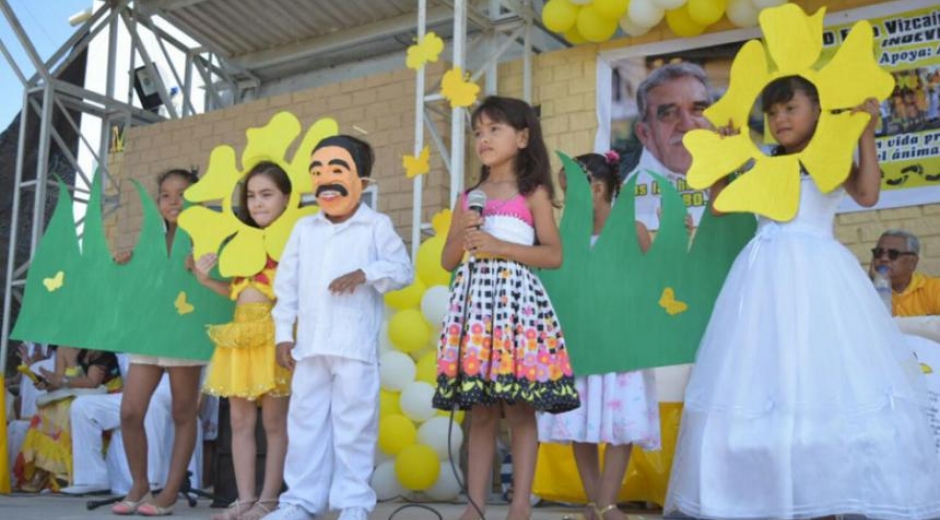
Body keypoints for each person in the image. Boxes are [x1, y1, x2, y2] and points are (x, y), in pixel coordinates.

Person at [665, 75, 940, 518]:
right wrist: (728, 155)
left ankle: (826, 499)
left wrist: (865, 132)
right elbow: (720, 204)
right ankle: (769, 496)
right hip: (761, 281)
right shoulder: (762, 161)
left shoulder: (830, 159)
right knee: (764, 385)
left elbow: (868, 194)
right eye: (773, 113)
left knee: (821, 383)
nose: (780, 120)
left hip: (819, 279)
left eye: (790, 109)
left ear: (816, 110)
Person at [432, 96, 580, 520]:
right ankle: (475, 505)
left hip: (517, 310)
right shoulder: (469, 196)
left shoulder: (533, 193)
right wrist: (466, 230)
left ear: (522, 137)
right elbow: (447, 259)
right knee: (480, 411)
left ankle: (519, 506)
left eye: (494, 129)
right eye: (478, 131)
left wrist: (500, 246)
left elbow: (553, 255)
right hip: (476, 312)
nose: (484, 138)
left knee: (518, 408)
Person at [263, 135, 413, 520]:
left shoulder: (376, 226)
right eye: (317, 171)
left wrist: (366, 272)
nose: (325, 179)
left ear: (361, 180)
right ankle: (300, 501)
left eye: (336, 169)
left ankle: (352, 503)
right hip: (310, 346)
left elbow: (402, 271)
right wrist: (283, 334)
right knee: (305, 425)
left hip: (354, 344)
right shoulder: (303, 230)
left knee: (354, 427)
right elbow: (287, 287)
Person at [538, 151, 660, 520]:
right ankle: (596, 503)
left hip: (621, 343)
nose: (565, 203)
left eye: (570, 191)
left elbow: (653, 283)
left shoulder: (633, 230)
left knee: (621, 426)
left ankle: (608, 501)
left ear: (598, 189)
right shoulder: (564, 239)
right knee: (579, 423)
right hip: (579, 344)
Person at [194, 161, 293, 520]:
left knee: (274, 423)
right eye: (251, 196)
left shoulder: (293, 240)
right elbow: (239, 292)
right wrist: (205, 280)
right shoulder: (242, 241)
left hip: (273, 333)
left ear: (286, 198)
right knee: (238, 420)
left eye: (267, 194)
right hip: (240, 336)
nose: (257, 203)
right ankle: (244, 497)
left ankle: (270, 498)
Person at [115, 168, 206, 517]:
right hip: (151, 331)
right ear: (157, 201)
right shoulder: (150, 238)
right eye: (166, 195)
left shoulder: (204, 236)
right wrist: (126, 264)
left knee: (184, 412)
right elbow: (138, 285)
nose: (173, 201)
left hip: (184, 332)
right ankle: (140, 484)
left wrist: (202, 265)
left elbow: (221, 278)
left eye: (181, 193)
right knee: (130, 411)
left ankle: (169, 493)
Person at [14, 347, 121, 491]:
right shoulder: (63, 349)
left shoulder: (100, 349)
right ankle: (45, 468)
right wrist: (46, 384)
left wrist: (63, 377)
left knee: (64, 410)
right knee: (46, 410)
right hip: (77, 394)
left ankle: (63, 472)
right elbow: (59, 383)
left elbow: (92, 382)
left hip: (106, 394)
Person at [624, 62, 712, 231]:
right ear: (644, 133)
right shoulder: (630, 200)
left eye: (698, 110)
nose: (687, 125)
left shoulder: (733, 171)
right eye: (670, 113)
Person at [870, 230, 940, 317]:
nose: (884, 258)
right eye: (878, 253)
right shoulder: (863, 291)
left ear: (912, 262)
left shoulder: (934, 289)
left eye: (893, 254)